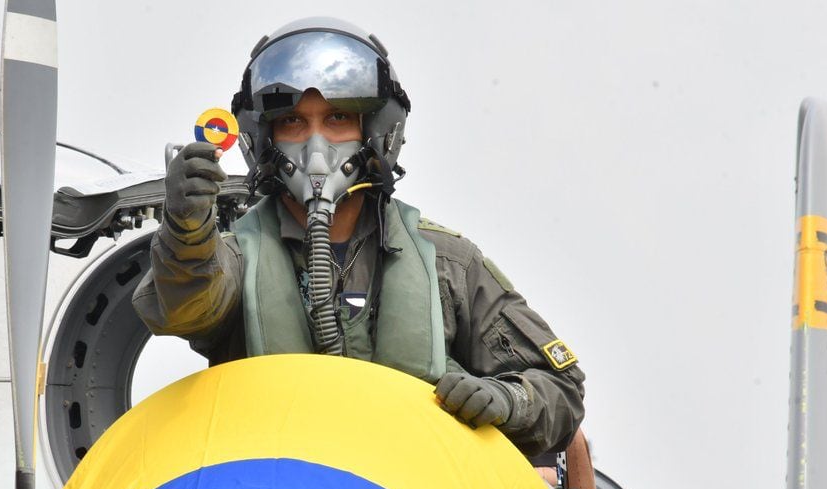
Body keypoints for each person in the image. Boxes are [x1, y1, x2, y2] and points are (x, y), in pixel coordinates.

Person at [133, 17, 584, 459]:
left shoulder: (446, 263)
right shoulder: (234, 259)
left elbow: (559, 389)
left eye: (338, 118)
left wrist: (507, 401)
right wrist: (186, 234)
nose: (315, 146)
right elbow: (185, 307)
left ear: (375, 131)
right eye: (292, 121)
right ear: (264, 137)